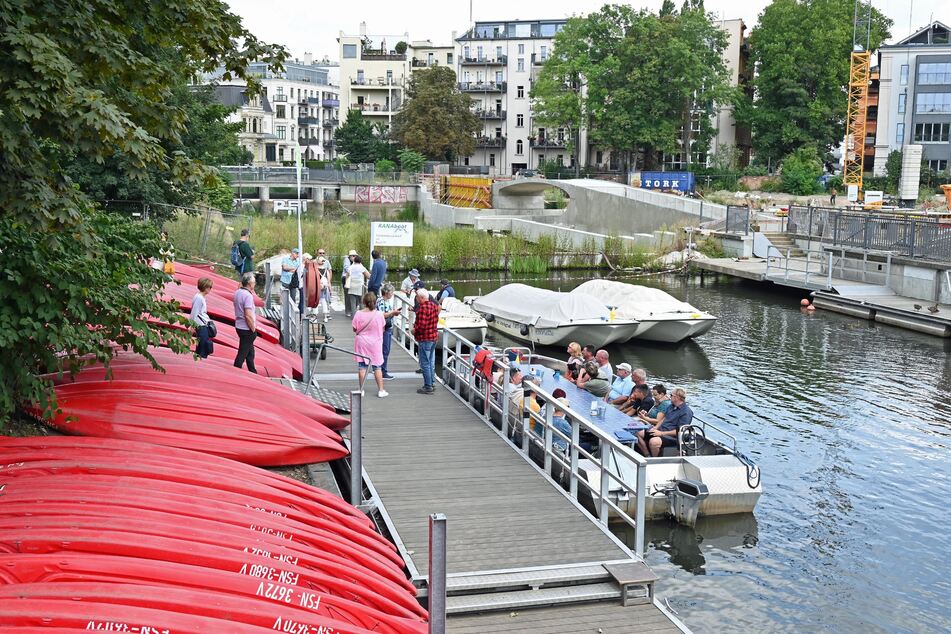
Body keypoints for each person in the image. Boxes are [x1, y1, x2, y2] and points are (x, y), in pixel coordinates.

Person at [352, 292, 388, 398]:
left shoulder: (358, 314)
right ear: (375, 302)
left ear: (364, 302)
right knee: (377, 367)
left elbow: (354, 329)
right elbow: (383, 328)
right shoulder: (379, 314)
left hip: (362, 342)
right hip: (375, 343)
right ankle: (381, 390)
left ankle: (361, 389)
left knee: (362, 367)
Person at [644, 388, 694, 457]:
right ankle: (646, 454)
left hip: (672, 437)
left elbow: (679, 431)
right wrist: (655, 428)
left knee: (654, 442)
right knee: (639, 432)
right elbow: (664, 419)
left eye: (671, 395)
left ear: (677, 397)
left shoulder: (686, 412)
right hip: (662, 431)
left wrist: (661, 433)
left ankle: (655, 460)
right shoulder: (671, 406)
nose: (669, 397)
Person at [413, 288, 440, 394]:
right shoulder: (434, 306)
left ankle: (428, 386)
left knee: (425, 363)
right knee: (430, 362)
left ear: (422, 297)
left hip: (425, 338)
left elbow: (422, 326)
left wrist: (414, 330)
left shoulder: (422, 308)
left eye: (417, 297)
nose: (416, 299)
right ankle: (432, 382)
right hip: (434, 337)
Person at [635, 384, 672, 456]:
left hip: (654, 426)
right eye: (653, 395)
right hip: (648, 423)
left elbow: (658, 420)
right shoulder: (658, 402)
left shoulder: (665, 404)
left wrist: (644, 418)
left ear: (661, 394)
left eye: (655, 395)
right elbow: (653, 413)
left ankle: (646, 454)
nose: (653, 397)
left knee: (635, 431)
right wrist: (645, 414)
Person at [232, 272, 258, 373]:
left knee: (250, 352)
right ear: (249, 283)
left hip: (239, 325)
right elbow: (248, 315)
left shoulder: (238, 292)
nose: (254, 284)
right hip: (246, 328)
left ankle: (253, 371)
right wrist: (253, 329)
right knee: (242, 353)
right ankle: (235, 370)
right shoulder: (248, 296)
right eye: (254, 282)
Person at [376, 283, 400, 380]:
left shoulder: (383, 300)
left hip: (386, 328)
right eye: (391, 292)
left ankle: (380, 369)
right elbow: (382, 315)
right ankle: (383, 371)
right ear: (386, 292)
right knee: (385, 350)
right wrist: (392, 313)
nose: (392, 294)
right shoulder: (382, 301)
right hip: (385, 329)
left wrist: (393, 313)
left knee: (384, 350)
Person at [189, 277, 214, 359]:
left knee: (202, 345)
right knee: (202, 346)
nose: (210, 289)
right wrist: (192, 326)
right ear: (205, 287)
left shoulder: (200, 297)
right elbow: (194, 312)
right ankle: (200, 360)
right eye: (209, 287)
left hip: (203, 324)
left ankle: (199, 359)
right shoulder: (199, 298)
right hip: (201, 325)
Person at [345, 254, 369, 318]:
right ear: (360, 261)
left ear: (354, 260)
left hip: (352, 285)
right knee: (361, 301)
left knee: (353, 302)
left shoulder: (350, 267)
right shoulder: (362, 267)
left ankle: (354, 316)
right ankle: (361, 316)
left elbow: (347, 276)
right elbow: (368, 276)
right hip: (359, 285)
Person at [316, 255, 333, 322]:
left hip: (317, 288)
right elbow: (328, 281)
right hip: (325, 288)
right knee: (324, 301)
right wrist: (330, 289)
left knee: (316, 302)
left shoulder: (315, 270)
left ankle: (315, 317)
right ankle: (325, 317)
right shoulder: (326, 271)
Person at [341, 250, 357, 316]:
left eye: (355, 256)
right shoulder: (346, 260)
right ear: (349, 256)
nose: (354, 257)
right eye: (353, 256)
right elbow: (346, 268)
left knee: (353, 295)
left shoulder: (355, 261)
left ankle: (352, 309)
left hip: (353, 279)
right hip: (346, 278)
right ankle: (348, 311)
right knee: (347, 295)